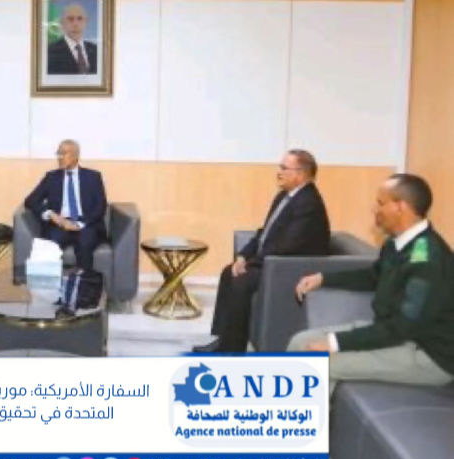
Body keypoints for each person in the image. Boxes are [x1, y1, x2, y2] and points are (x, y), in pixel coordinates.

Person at [292, 174, 454, 394]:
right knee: (300, 342)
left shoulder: (427, 259)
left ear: (400, 207)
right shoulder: (397, 243)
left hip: (427, 354)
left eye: (380, 203)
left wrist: (335, 342)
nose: (374, 209)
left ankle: (309, 415)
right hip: (397, 335)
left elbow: (403, 327)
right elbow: (374, 276)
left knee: (314, 362)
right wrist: (323, 279)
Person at [194, 149, 331, 353]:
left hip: (289, 269)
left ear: (300, 173)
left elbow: (288, 246)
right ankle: (222, 340)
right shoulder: (284, 196)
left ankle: (233, 348)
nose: (279, 172)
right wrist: (243, 256)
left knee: (241, 280)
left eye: (284, 168)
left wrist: (251, 264)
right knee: (228, 273)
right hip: (272, 261)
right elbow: (264, 232)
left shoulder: (308, 203)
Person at [25, 139, 107, 271]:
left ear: (75, 156)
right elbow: (31, 200)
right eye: (58, 153)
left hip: (85, 224)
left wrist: (79, 224)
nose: (60, 157)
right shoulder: (51, 177)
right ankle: (51, 283)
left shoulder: (93, 177)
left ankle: (83, 281)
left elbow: (100, 206)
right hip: (60, 224)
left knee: (85, 243)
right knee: (50, 244)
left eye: (64, 153)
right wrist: (52, 215)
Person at [47, 2, 98, 75]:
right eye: (70, 19)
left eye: (80, 19)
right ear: (62, 23)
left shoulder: (96, 50)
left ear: (86, 23)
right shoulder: (50, 51)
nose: (75, 24)